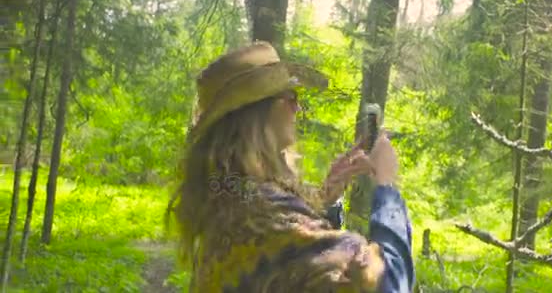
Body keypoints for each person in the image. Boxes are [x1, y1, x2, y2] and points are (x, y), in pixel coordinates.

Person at [168, 41, 415, 292]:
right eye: (291, 97)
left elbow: (296, 273)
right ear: (259, 112)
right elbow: (388, 284)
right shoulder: (264, 214)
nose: (298, 108)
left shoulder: (224, 198)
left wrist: (324, 198)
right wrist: (387, 188)